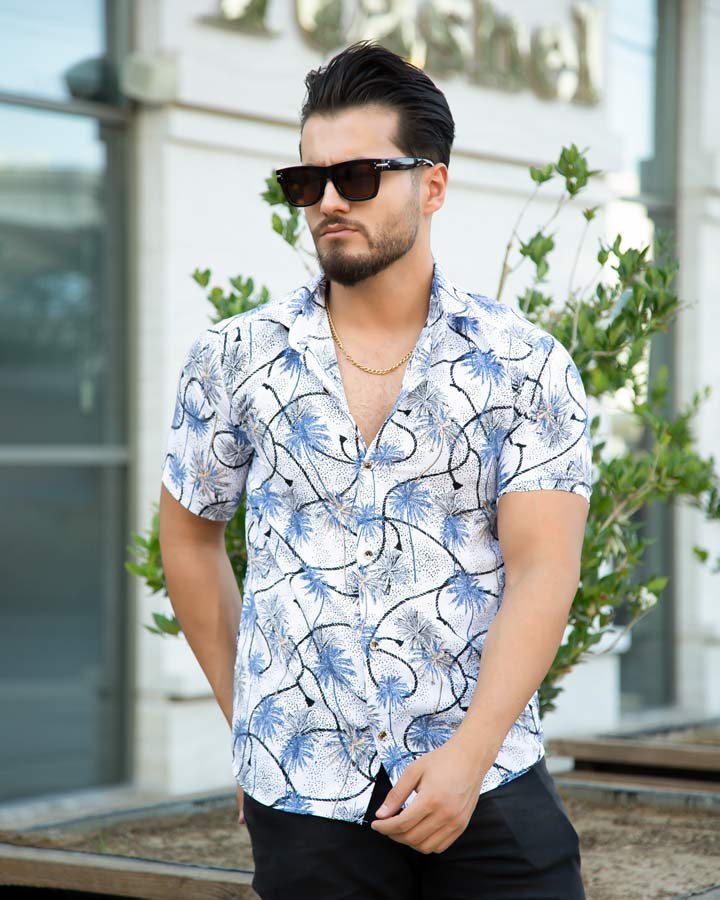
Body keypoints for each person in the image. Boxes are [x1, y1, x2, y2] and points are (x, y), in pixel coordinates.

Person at [158, 39, 592, 900]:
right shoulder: (234, 358)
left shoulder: (524, 364)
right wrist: (253, 730)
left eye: (358, 177)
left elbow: (545, 567)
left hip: (488, 780)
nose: (327, 200)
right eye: (307, 180)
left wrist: (467, 761)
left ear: (433, 185)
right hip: (303, 800)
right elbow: (190, 538)